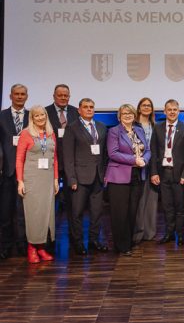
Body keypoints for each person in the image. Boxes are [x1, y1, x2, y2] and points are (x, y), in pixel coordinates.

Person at [63, 98, 108, 255]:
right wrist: (71, 178)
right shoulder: (72, 127)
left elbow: (104, 153)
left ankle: (94, 240)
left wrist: (105, 173)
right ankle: (78, 242)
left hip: (98, 176)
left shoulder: (101, 127)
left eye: (91, 107)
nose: (89, 109)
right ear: (79, 110)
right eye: (86, 107)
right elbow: (68, 156)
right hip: (80, 178)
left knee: (97, 212)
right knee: (77, 213)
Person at [105, 104, 151, 256]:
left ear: (134, 115)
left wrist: (144, 160)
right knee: (120, 213)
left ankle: (128, 242)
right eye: (124, 113)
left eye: (130, 113)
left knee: (132, 211)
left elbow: (147, 150)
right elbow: (113, 153)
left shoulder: (139, 130)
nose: (127, 115)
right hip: (118, 177)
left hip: (137, 175)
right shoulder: (114, 131)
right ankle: (121, 246)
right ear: (119, 116)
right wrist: (134, 160)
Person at [16, 106, 59, 263]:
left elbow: (55, 158)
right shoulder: (26, 134)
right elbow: (19, 159)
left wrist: (56, 179)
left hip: (47, 179)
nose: (40, 118)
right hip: (32, 179)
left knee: (47, 213)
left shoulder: (51, 134)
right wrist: (20, 181)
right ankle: (32, 248)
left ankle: (41, 247)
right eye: (37, 116)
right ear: (32, 118)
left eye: (43, 115)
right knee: (33, 213)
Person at [150, 99, 184, 246]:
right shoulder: (158, 127)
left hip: (179, 174)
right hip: (163, 173)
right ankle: (169, 233)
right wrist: (154, 172)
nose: (172, 112)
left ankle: (180, 235)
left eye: (175, 109)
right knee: (167, 206)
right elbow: (153, 151)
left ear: (179, 111)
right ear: (165, 111)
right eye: (169, 109)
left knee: (180, 207)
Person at [45, 84, 79, 242]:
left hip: (71, 164)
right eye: (60, 95)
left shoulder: (75, 112)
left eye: (66, 95)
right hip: (51, 163)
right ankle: (48, 238)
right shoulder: (45, 112)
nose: (63, 98)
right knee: (50, 203)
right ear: (54, 96)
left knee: (73, 204)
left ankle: (74, 237)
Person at [0, 83, 29, 258]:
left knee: (23, 213)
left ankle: (22, 244)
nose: (19, 97)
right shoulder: (2, 116)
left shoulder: (32, 116)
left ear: (27, 97)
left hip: (27, 172)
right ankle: (5, 246)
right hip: (7, 172)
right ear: (10, 96)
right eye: (16, 94)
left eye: (22, 94)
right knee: (5, 212)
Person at [132, 97, 159, 243]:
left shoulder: (156, 126)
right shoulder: (133, 125)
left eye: (149, 105)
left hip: (153, 167)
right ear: (139, 108)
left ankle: (149, 233)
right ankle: (138, 233)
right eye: (144, 105)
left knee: (151, 201)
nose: (146, 107)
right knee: (139, 200)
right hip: (137, 166)